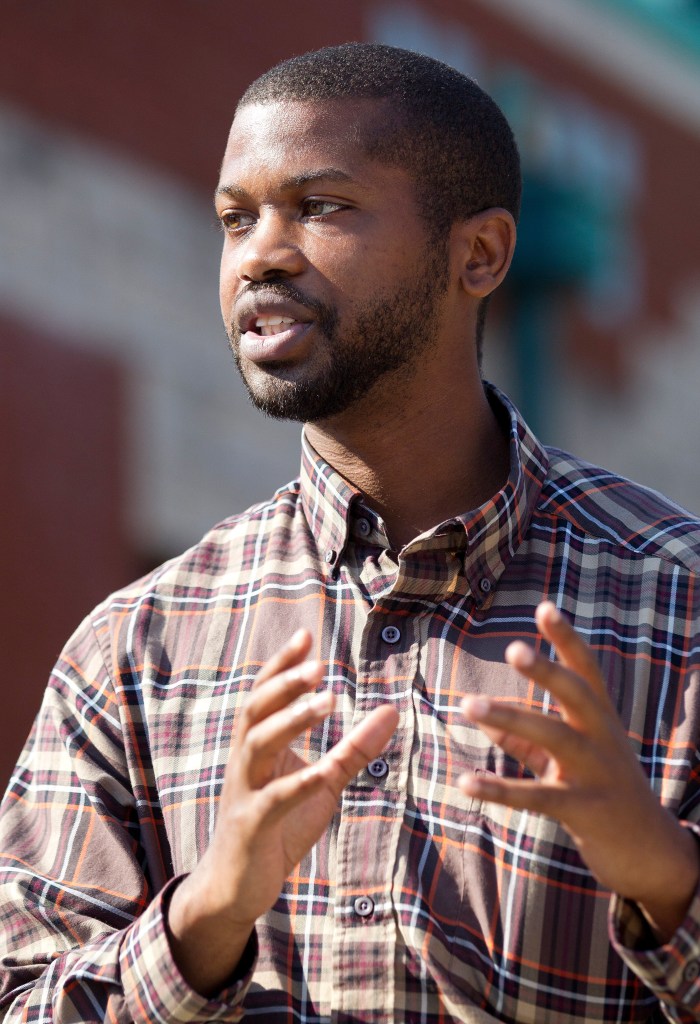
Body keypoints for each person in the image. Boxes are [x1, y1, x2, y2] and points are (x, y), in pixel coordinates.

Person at [1, 41, 699, 1024]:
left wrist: (668, 881)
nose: (261, 254)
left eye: (321, 207)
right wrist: (208, 913)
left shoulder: (675, 604)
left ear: (480, 254)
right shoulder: (137, 650)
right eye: (235, 219)